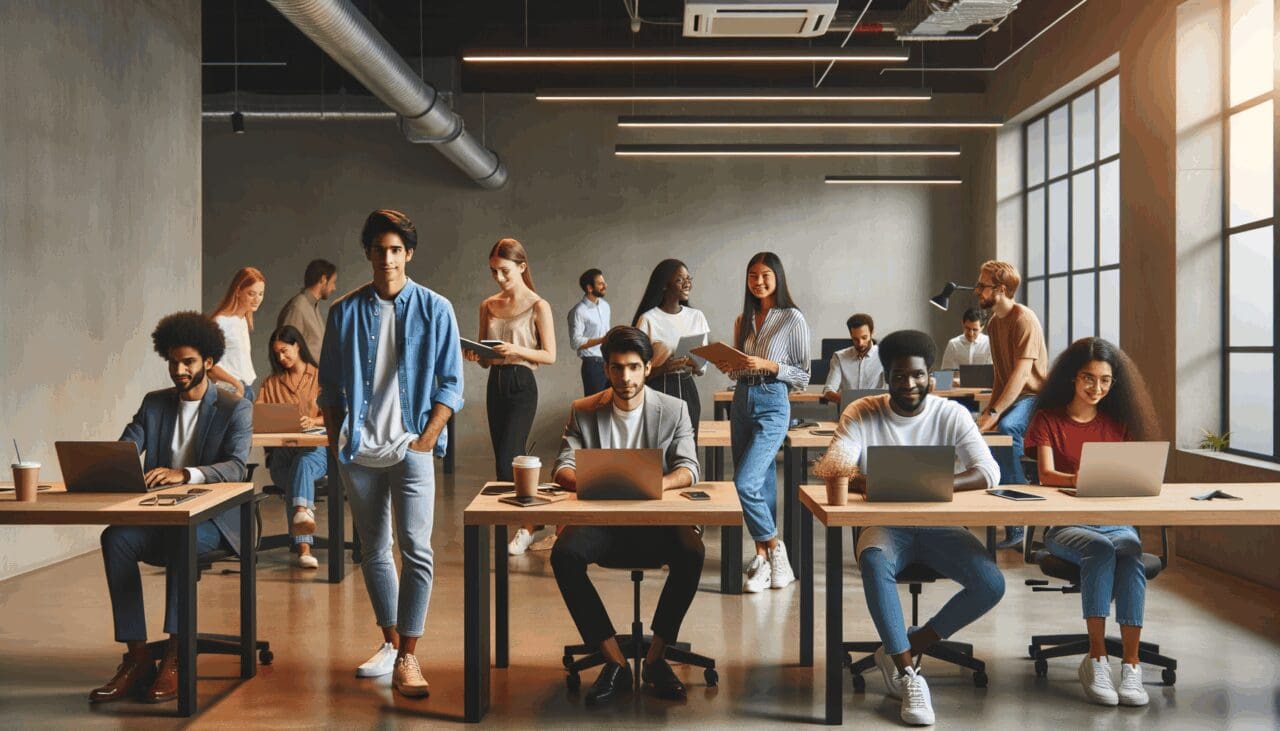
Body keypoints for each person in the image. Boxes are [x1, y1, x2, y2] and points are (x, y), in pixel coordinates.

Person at [318, 208, 464, 698]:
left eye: (396, 249)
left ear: (409, 254)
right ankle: (390, 641)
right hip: (358, 452)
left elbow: (451, 383)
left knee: (416, 550)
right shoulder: (344, 312)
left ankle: (409, 657)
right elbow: (330, 388)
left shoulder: (436, 308)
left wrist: (426, 439)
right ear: (367, 254)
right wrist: (339, 441)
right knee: (373, 550)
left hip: (410, 449)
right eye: (379, 250)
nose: (387, 258)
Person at [827, 330, 1004, 727]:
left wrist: (935, 482)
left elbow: (989, 471)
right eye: (899, 377)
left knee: (991, 583)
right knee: (874, 562)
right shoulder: (861, 412)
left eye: (917, 376)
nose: (909, 385)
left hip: (940, 525)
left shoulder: (952, 413)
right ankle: (909, 674)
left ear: (932, 377)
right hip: (884, 525)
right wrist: (880, 483)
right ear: (885, 376)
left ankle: (898, 648)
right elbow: (836, 466)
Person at [91, 312, 251, 704]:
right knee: (116, 539)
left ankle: (176, 658)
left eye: (188, 362)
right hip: (160, 515)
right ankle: (138, 657)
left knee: (184, 537)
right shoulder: (155, 404)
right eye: (173, 361)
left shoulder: (235, 408)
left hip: (216, 519)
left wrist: (187, 475)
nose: (178, 370)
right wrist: (106, 465)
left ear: (208, 363)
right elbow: (125, 449)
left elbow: (236, 465)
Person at [549, 326, 704, 705]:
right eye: (617, 368)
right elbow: (562, 467)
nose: (625, 377)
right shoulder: (583, 410)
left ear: (648, 368)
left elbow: (689, 468)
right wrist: (587, 480)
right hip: (603, 525)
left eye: (634, 367)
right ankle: (612, 657)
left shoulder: (673, 409)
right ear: (606, 369)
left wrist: (651, 483)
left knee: (692, 551)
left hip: (657, 523)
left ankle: (656, 657)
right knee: (563, 554)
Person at [1024, 337, 1159, 707]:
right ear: (1071, 377)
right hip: (1066, 524)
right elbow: (1047, 474)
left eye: (1104, 380)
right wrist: (1080, 477)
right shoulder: (1047, 419)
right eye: (1088, 378)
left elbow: (1134, 475)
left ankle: (1131, 665)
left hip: (1115, 521)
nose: (1096, 388)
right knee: (1101, 550)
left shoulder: (1120, 423)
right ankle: (1096, 657)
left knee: (1130, 551)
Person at [708, 252, 810, 594]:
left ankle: (775, 548)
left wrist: (768, 365)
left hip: (772, 401)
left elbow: (803, 375)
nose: (759, 281)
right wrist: (731, 366)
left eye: (765, 274)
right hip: (742, 399)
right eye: (753, 275)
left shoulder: (792, 318)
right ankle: (763, 561)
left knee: (745, 481)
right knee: (762, 483)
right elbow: (742, 366)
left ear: (777, 277)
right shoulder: (744, 319)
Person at [462, 237, 557, 556]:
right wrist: (478, 355)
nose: (499, 278)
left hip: (522, 382)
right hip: (496, 382)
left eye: (504, 271)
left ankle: (525, 526)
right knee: (504, 462)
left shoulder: (538, 305)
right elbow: (487, 355)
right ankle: (525, 522)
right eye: (493, 272)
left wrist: (516, 349)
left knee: (509, 457)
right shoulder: (488, 305)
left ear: (521, 266)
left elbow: (550, 355)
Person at [973, 260, 1048, 550]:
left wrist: (995, 413)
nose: (977, 290)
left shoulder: (1023, 319)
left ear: (1001, 289)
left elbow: (1021, 375)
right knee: (989, 433)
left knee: (1006, 427)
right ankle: (1006, 508)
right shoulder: (993, 323)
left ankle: (1021, 518)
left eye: (983, 285)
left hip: (1034, 397)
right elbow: (1000, 375)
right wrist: (986, 413)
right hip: (1013, 398)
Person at [255, 325, 327, 569]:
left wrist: (314, 420)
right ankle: (302, 514)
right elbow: (258, 416)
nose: (281, 358)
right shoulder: (271, 383)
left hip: (315, 454)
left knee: (304, 461)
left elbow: (338, 414)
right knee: (298, 467)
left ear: (297, 345)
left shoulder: (320, 377)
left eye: (284, 351)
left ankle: (303, 546)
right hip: (282, 459)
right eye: (276, 354)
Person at [632, 259, 710, 439]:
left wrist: (696, 364)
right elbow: (636, 370)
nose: (687, 283)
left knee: (688, 449)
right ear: (665, 285)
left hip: (687, 388)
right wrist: (664, 367)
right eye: (680, 280)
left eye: (688, 278)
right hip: (657, 389)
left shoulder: (696, 317)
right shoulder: (648, 319)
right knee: (657, 452)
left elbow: (701, 369)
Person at [208, 267, 266, 401]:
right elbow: (209, 364)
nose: (257, 299)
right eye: (251, 294)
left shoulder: (243, 320)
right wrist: (237, 385)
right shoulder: (220, 321)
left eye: (261, 294)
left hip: (245, 390)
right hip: (229, 391)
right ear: (238, 291)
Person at [277, 258, 338, 358]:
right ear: (323, 279)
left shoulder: (312, 306)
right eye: (333, 282)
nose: (334, 288)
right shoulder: (297, 307)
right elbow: (285, 349)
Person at [822, 313, 884, 403]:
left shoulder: (884, 356)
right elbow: (828, 390)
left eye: (864, 337)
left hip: (876, 412)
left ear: (872, 332)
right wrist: (850, 403)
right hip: (849, 412)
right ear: (851, 335)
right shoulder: (839, 357)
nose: (860, 343)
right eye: (855, 339)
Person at [567, 268, 610, 396]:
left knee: (611, 404)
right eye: (600, 284)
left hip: (609, 362)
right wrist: (603, 339)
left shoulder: (605, 306)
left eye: (604, 282)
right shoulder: (578, 312)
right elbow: (575, 343)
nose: (605, 285)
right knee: (595, 406)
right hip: (593, 365)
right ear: (589, 288)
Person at [939, 308, 991, 375]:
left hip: (984, 385)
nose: (970, 333)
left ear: (982, 328)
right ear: (963, 324)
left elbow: (992, 373)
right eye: (967, 328)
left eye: (975, 330)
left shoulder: (989, 343)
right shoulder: (953, 344)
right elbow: (944, 374)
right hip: (957, 384)